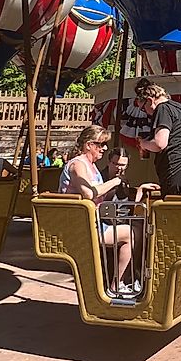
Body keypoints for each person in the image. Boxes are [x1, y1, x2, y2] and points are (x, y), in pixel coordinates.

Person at [59, 125, 135, 294]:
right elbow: (88, 193)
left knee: (138, 229)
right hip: (80, 226)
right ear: (88, 145)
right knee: (132, 234)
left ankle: (125, 281)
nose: (104, 148)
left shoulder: (91, 166)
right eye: (101, 144)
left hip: (93, 221)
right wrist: (115, 182)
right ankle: (117, 285)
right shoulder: (78, 165)